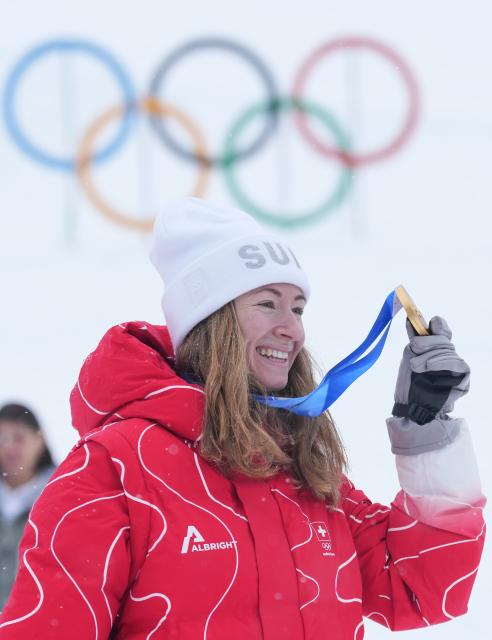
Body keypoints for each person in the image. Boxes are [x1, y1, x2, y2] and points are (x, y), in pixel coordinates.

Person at [0, 197, 485, 639]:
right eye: (267, 304)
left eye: (297, 307)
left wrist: (425, 427)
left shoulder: (299, 470)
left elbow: (419, 586)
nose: (291, 328)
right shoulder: (113, 470)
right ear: (211, 322)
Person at [0, 403, 56, 611]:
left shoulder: (62, 497)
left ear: (39, 439)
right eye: (2, 439)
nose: (9, 448)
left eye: (19, 437)